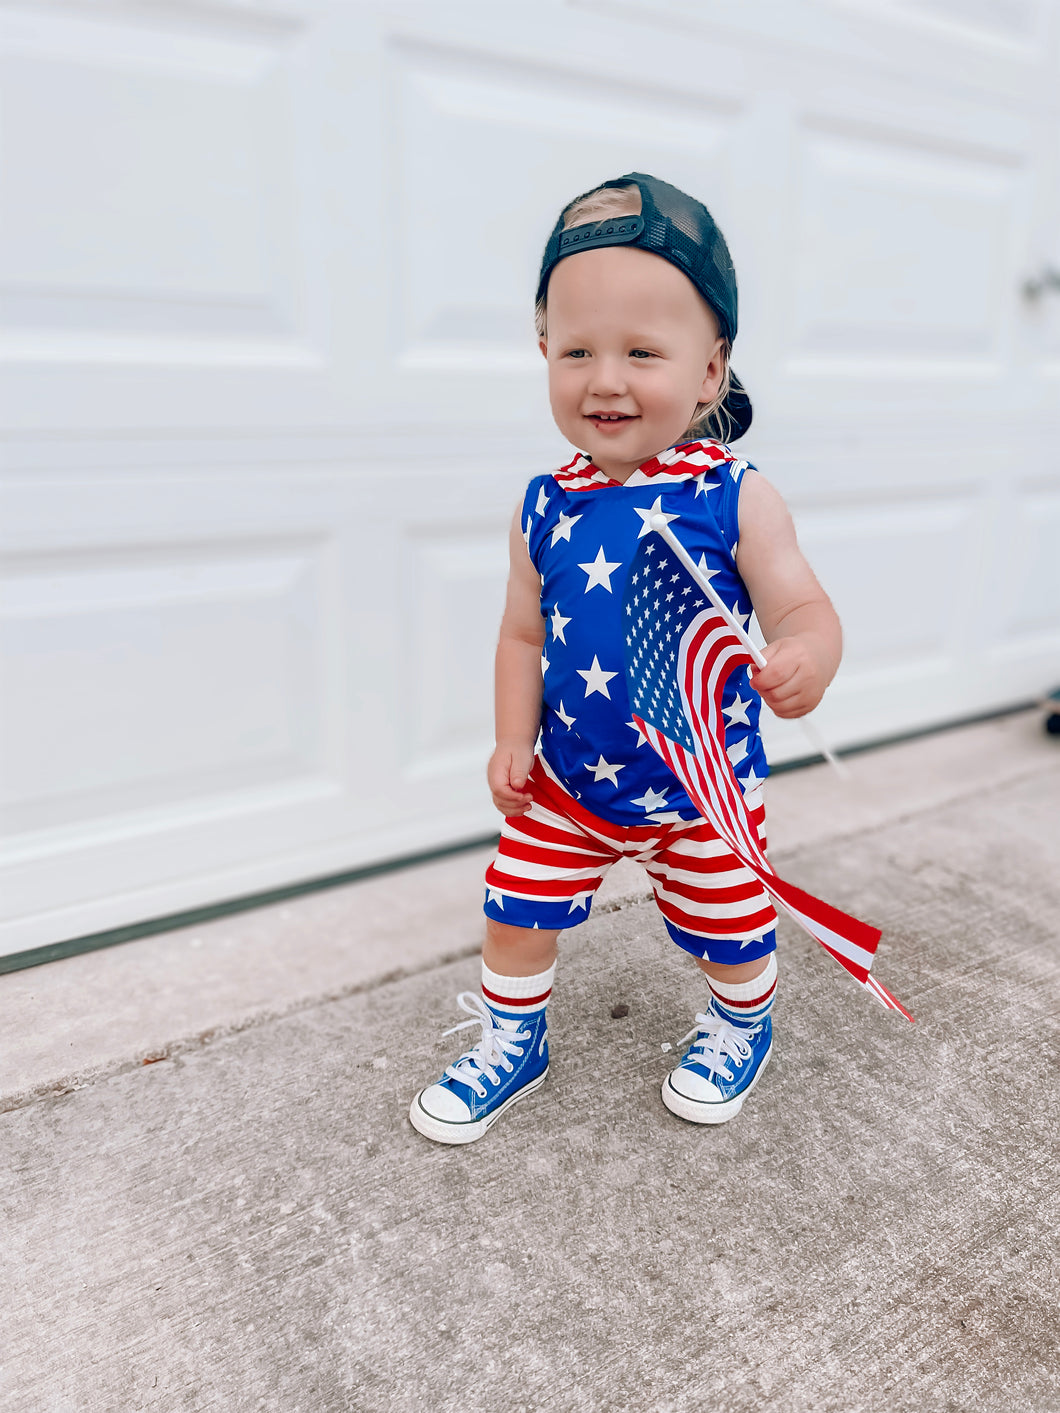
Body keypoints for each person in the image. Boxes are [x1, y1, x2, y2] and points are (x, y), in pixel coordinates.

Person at [408, 173, 841, 1145]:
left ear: (710, 368)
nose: (605, 379)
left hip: (700, 795)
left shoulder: (735, 497)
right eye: (576, 351)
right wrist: (509, 739)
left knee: (727, 934)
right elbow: (523, 632)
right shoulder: (543, 503)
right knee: (516, 908)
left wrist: (807, 650)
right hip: (570, 782)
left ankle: (742, 1022)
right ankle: (513, 1040)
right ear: (542, 355)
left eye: (642, 351)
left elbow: (802, 602)